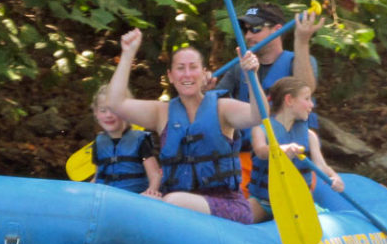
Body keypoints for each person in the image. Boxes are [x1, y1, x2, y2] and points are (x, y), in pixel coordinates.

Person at [107, 28, 267, 224]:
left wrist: (252, 76)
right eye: (180, 68)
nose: (187, 74)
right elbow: (116, 103)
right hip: (175, 203)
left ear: (204, 73)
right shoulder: (161, 113)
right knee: (145, 200)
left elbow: (259, 115)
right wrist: (127, 54)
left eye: (193, 67)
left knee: (172, 201)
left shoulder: (222, 108)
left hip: (226, 204)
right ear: (171, 76)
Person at [214, 2, 325, 194]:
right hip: (247, 159)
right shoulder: (239, 66)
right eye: (246, 30)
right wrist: (204, 90)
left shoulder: (297, 62)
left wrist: (302, 41)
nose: (248, 36)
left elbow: (305, 88)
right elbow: (212, 105)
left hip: (289, 159)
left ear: (277, 30)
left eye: (256, 29)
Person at [248, 76, 344, 223]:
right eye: (307, 99)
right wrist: (281, 150)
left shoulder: (309, 135)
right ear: (289, 100)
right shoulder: (260, 130)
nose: (311, 105)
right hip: (265, 202)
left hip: (298, 204)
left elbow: (321, 166)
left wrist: (334, 178)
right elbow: (261, 151)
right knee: (242, 217)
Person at [90, 84, 162, 197]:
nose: (108, 115)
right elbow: (98, 175)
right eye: (103, 110)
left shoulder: (140, 141)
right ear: (95, 112)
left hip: (133, 199)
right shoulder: (99, 143)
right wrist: (87, 191)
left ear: (127, 111)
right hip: (107, 199)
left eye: (113, 110)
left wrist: (151, 191)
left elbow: (155, 175)